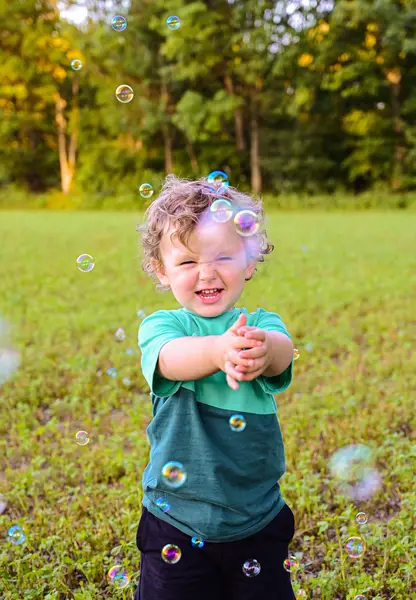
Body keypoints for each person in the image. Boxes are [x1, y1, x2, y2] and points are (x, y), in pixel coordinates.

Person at [135, 174, 296, 600]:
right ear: (161, 271)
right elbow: (169, 358)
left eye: (223, 257)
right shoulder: (164, 327)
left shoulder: (260, 326)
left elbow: (283, 351)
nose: (206, 272)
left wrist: (264, 351)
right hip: (176, 521)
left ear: (249, 260)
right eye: (187, 263)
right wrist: (219, 352)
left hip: (257, 520)